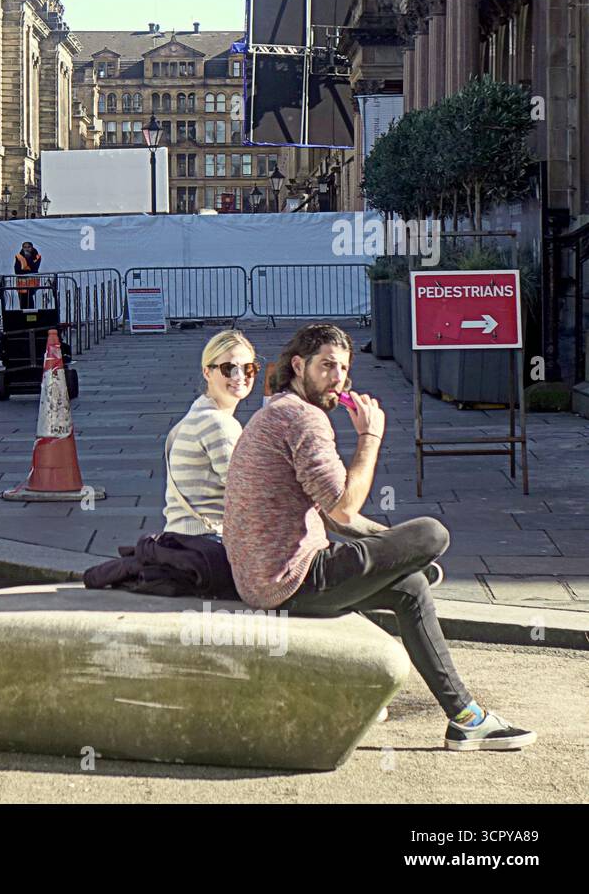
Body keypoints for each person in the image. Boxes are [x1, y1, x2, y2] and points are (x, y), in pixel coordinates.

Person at [223, 322, 536, 751]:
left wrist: (391, 548)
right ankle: (418, 569)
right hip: (292, 581)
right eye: (326, 366)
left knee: (409, 589)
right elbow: (344, 506)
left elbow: (335, 518)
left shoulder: (275, 411)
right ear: (299, 365)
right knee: (432, 533)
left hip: (267, 578)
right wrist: (370, 436)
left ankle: (466, 718)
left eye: (343, 368)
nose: (336, 378)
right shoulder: (302, 419)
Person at [163, 330, 258, 540]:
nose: (240, 377)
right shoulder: (218, 424)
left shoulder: (197, 413)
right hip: (206, 539)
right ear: (207, 372)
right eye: (229, 368)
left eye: (248, 368)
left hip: (183, 538)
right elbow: (248, 492)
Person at [13, 240, 42, 309]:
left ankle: (32, 317)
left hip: (32, 284)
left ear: (32, 247)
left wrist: (28, 258)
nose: (27, 249)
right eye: (25, 247)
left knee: (30, 302)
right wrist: (29, 271)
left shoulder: (37, 256)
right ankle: (23, 318)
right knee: (23, 303)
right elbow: (17, 271)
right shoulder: (19, 256)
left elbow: (35, 269)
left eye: (29, 247)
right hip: (21, 285)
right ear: (22, 248)